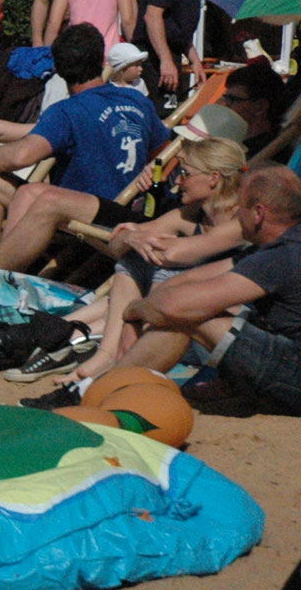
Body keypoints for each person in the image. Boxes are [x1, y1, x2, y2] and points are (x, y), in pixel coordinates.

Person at [77, 165, 301, 414]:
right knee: (189, 308)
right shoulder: (283, 245)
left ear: (258, 213)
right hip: (287, 360)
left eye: (241, 207)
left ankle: (99, 394)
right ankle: (105, 389)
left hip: (293, 373)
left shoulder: (283, 255)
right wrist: (139, 314)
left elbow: (175, 305)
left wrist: (132, 312)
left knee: (188, 316)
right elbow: (185, 280)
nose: (237, 214)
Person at [49, 136, 248, 388]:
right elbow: (117, 246)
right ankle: (104, 356)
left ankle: (100, 354)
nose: (177, 181)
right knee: (133, 261)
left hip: (214, 335)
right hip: (179, 323)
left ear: (213, 178)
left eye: (185, 173)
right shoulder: (189, 215)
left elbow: (176, 254)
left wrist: (136, 236)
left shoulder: (241, 221)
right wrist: (131, 237)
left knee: (162, 271)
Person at [0, 24, 170, 274]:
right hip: (130, 208)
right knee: (11, 187)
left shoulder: (66, 111)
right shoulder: (137, 100)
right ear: (102, 60)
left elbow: (21, 156)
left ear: (58, 69)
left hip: (86, 215)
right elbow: (164, 153)